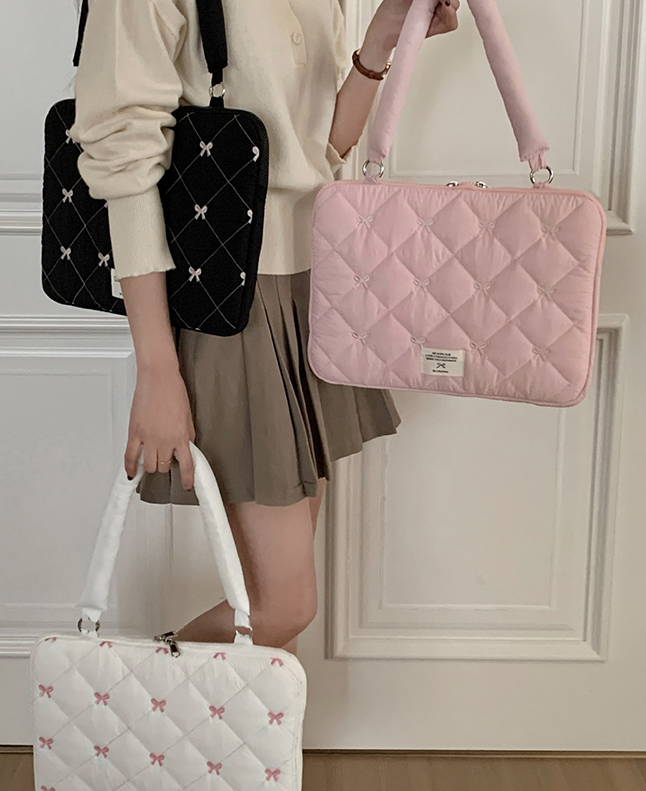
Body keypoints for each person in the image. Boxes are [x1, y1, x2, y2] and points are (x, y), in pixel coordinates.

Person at [71, 0, 459, 654]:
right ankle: (132, 705)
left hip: (313, 287)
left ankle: (201, 723)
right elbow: (124, 163)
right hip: (229, 306)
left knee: (271, 623)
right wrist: (157, 367)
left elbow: (318, 152)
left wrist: (381, 40)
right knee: (281, 606)